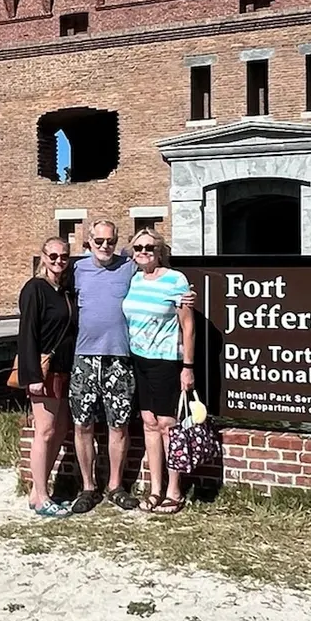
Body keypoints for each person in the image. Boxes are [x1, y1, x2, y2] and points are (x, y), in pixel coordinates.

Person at [69, 219, 138, 514]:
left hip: (119, 358)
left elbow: (156, 274)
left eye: (110, 241)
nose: (105, 246)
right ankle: (87, 487)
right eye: (99, 241)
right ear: (89, 242)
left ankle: (115, 486)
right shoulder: (76, 270)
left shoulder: (129, 267)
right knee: (83, 424)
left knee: (118, 425)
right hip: (84, 357)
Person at [122, 232, 195, 514]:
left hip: (166, 361)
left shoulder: (175, 280)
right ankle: (155, 489)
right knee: (149, 423)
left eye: (149, 247)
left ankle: (174, 491)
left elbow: (188, 327)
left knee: (169, 425)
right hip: (139, 359)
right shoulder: (135, 279)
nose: (143, 251)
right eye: (138, 247)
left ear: (160, 250)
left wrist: (187, 367)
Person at [17, 237, 78, 517]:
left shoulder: (65, 291)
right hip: (43, 370)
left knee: (61, 428)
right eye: (53, 256)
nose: (58, 261)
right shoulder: (35, 289)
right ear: (43, 257)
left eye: (63, 257)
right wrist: (31, 376)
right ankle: (42, 496)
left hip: (64, 369)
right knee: (45, 431)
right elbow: (26, 334)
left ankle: (37, 492)